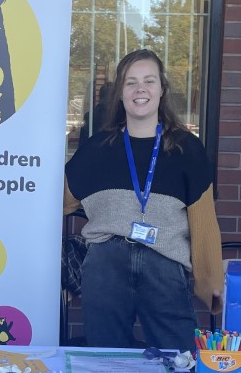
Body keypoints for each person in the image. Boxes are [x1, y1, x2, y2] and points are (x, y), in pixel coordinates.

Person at [64, 49, 222, 350]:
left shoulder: (187, 148)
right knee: (105, 359)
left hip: (165, 263)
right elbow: (57, 201)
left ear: (162, 89)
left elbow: (204, 224)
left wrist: (210, 283)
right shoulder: (97, 148)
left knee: (180, 359)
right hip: (106, 264)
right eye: (130, 82)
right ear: (120, 93)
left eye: (149, 81)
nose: (140, 90)